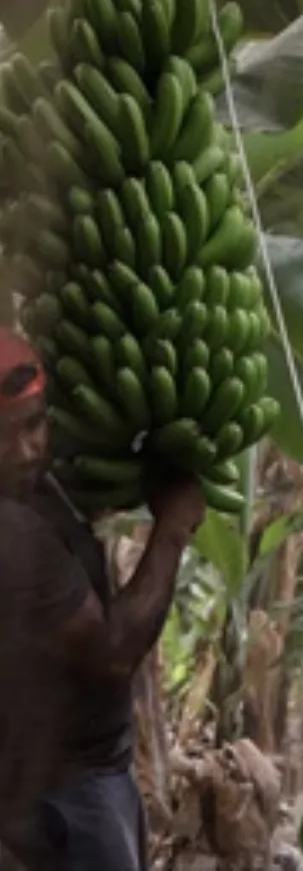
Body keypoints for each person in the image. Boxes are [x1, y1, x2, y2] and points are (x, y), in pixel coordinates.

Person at [0, 327, 206, 870]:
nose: (24, 451)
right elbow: (112, 653)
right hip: (63, 799)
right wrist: (173, 529)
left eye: (33, 426)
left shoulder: (37, 485)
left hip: (76, 782)